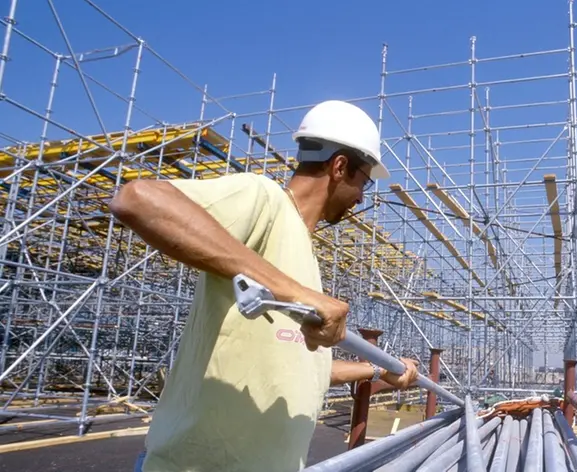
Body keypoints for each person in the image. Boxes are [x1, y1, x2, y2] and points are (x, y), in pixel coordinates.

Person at [110, 99, 420, 472]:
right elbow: (138, 199)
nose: (361, 198)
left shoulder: (301, 252)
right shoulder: (265, 200)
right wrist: (296, 292)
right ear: (339, 167)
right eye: (363, 182)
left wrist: (377, 369)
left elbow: (300, 364)